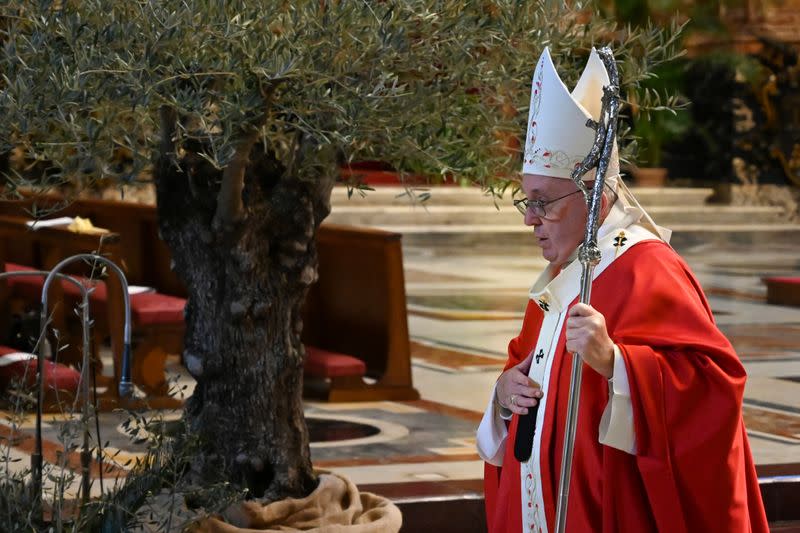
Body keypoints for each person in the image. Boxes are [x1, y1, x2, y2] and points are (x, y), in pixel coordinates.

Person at [476, 47, 769, 532]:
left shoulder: (647, 267)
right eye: (525, 202)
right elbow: (526, 370)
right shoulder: (562, 275)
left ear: (593, 195)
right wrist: (504, 395)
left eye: (543, 203)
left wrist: (617, 363)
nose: (530, 219)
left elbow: (715, 388)